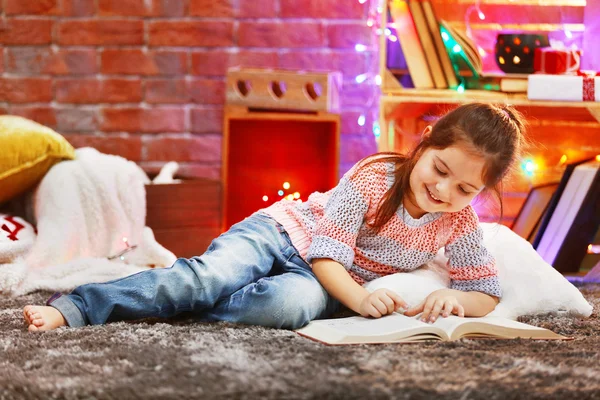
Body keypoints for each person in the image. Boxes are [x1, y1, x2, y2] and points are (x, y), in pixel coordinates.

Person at [23, 102, 525, 332]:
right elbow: (327, 252)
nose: (442, 191)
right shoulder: (374, 176)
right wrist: (361, 298)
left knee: (284, 309)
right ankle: (81, 307)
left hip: (323, 283)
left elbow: (486, 290)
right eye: (438, 170)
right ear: (423, 148)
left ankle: (177, 300)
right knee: (211, 275)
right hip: (284, 235)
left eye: (464, 189)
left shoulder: (458, 223)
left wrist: (453, 296)